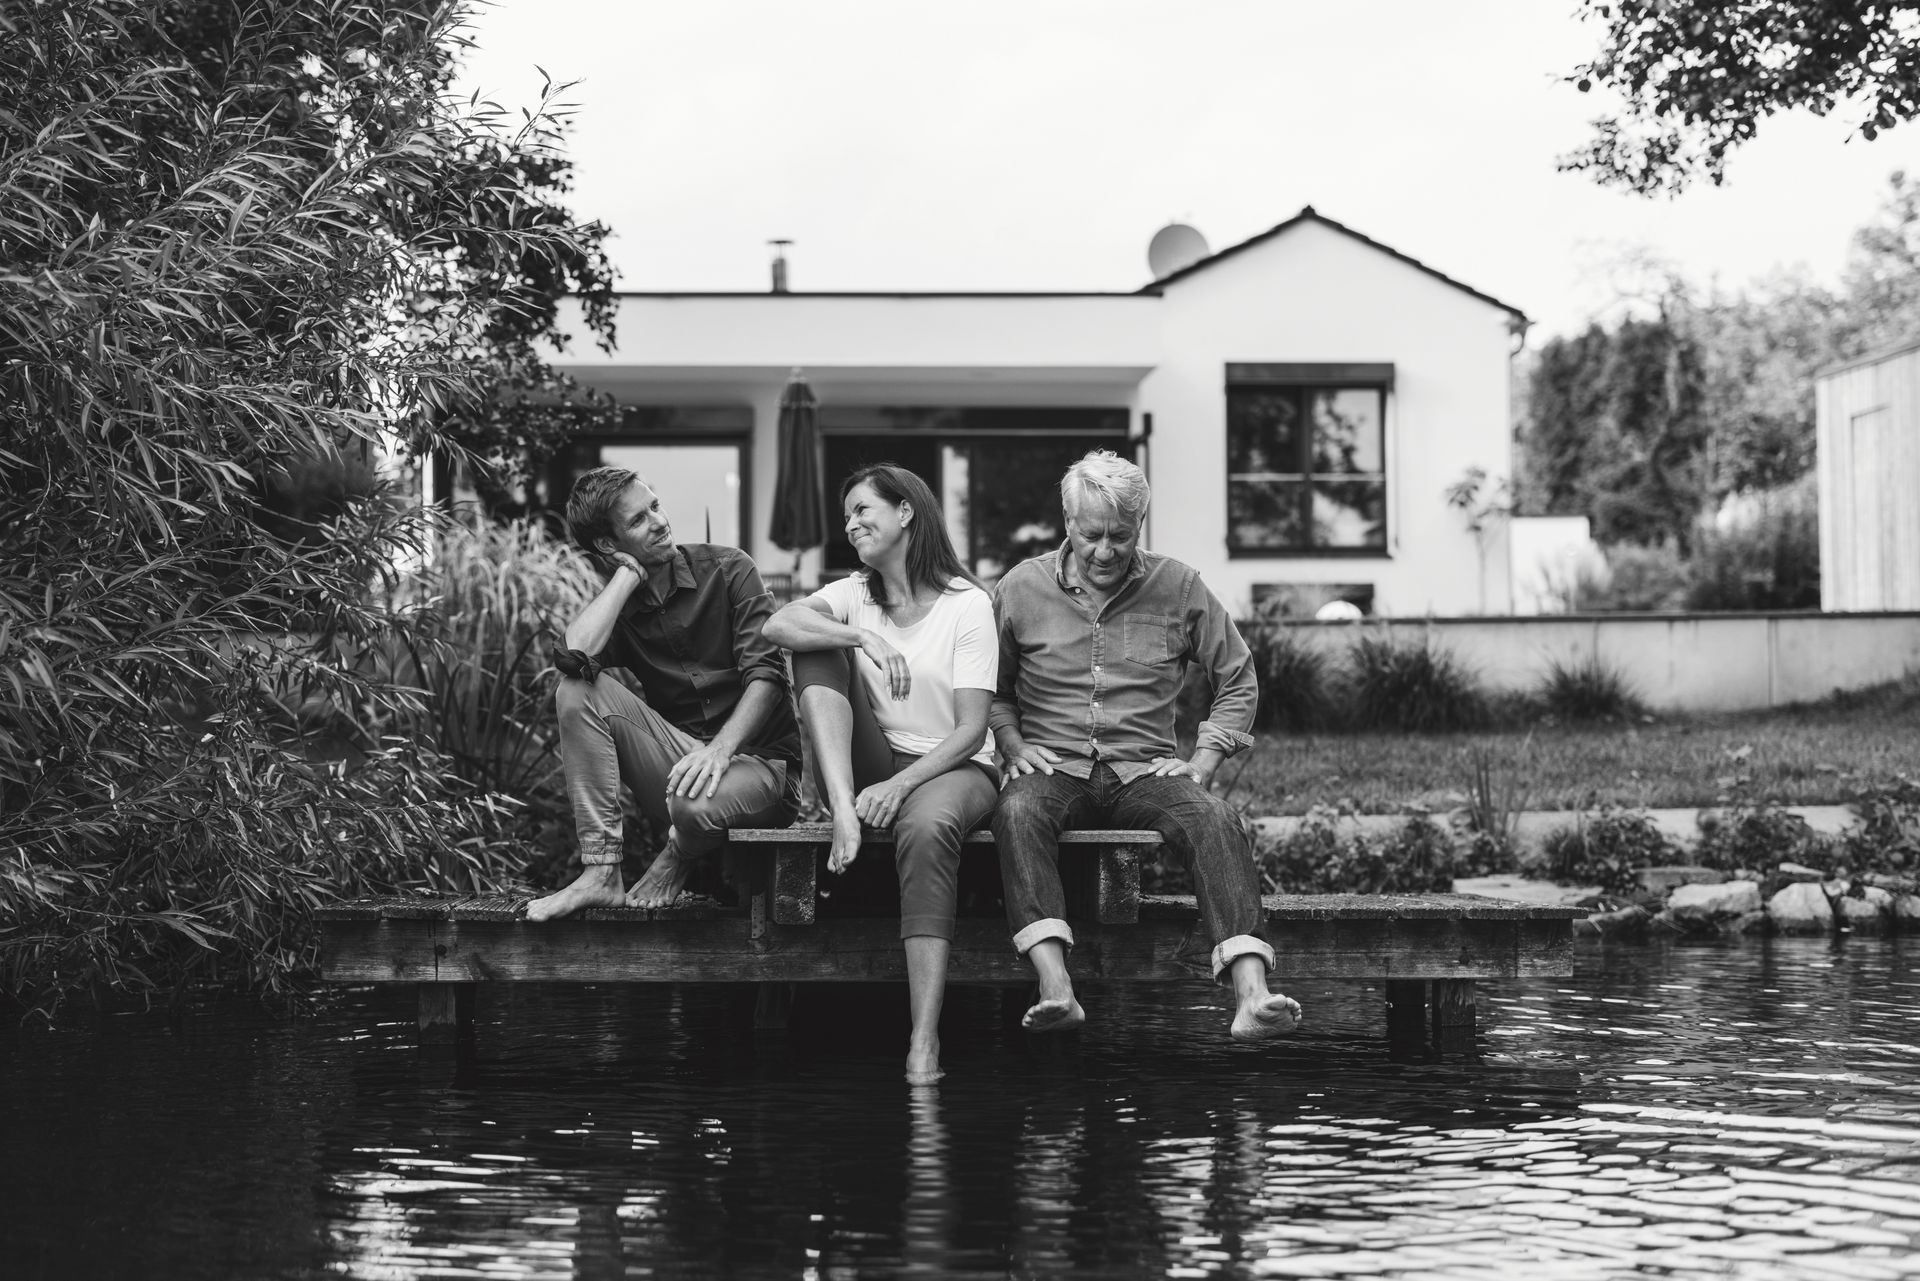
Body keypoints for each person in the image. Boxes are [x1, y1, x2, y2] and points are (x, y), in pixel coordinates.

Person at [989, 450, 1303, 1043]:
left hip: (1145, 770)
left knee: (1214, 818)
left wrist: (1204, 757)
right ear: (1067, 523)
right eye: (1091, 536)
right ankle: (1056, 986)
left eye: (1121, 536)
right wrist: (1010, 742)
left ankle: (1252, 995)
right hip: (1053, 766)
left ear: (1140, 527)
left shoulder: (1179, 586)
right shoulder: (1020, 588)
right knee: (1017, 810)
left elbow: (1238, 677)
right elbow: (992, 688)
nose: (1105, 551)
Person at [763, 464, 1000, 1084]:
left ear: (906, 513)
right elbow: (776, 624)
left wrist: (900, 785)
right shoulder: (854, 594)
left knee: (924, 833)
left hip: (954, 764)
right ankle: (840, 806)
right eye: (847, 516)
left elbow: (973, 730)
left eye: (863, 510)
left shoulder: (968, 605)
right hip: (868, 762)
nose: (852, 524)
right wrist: (863, 640)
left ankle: (923, 1040)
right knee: (815, 643)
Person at [527, 466, 802, 922]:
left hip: (763, 769)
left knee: (693, 804)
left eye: (655, 505)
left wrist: (720, 751)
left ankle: (676, 854)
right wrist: (625, 578)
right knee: (576, 691)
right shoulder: (623, 606)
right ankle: (601, 873)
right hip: (683, 768)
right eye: (638, 521)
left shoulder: (729, 569)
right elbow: (573, 659)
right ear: (607, 545)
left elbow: (768, 677)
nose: (659, 521)